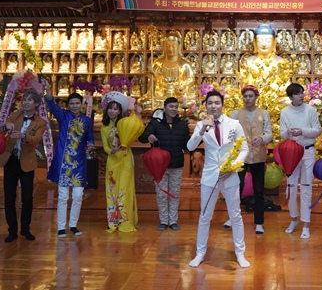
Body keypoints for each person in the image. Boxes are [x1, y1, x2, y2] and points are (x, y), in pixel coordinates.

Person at [187, 90, 250, 268]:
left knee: (235, 215)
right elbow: (190, 146)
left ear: (222, 105)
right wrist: (201, 130)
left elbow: (244, 149)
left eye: (217, 103)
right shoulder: (201, 125)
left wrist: (233, 167)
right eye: (210, 103)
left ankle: (240, 253)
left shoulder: (234, 124)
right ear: (205, 105)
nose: (213, 106)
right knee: (205, 215)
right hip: (210, 175)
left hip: (230, 175)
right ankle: (200, 253)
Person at [42, 79, 95, 239]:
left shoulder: (87, 120)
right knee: (63, 196)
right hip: (64, 163)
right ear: (68, 105)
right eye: (71, 103)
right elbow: (52, 104)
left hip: (79, 163)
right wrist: (48, 90)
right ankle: (61, 227)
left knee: (78, 196)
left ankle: (73, 225)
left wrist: (91, 145)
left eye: (77, 103)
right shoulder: (63, 116)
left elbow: (90, 137)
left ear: (81, 104)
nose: (74, 106)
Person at [0, 90, 47, 243]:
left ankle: (25, 228)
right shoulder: (15, 115)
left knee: (27, 198)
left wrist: (23, 135)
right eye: (24, 99)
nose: (25, 102)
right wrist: (5, 126)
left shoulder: (41, 122)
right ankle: (12, 230)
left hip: (26, 162)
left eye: (29, 100)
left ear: (36, 104)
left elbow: (36, 139)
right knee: (9, 197)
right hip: (10, 160)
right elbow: (0, 130)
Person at [139, 97, 190, 231]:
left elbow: (188, 145)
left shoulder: (182, 125)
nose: (174, 109)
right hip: (159, 166)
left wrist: (200, 137)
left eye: (176, 107)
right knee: (161, 194)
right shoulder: (155, 123)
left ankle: (173, 221)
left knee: (174, 194)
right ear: (164, 108)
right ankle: (163, 220)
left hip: (176, 164)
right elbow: (142, 137)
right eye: (171, 106)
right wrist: (149, 136)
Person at [226, 85, 272, 234]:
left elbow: (269, 133)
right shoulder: (236, 114)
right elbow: (229, 133)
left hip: (258, 156)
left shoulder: (264, 113)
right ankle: (232, 218)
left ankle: (259, 222)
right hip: (241, 156)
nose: (248, 99)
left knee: (258, 190)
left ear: (256, 97)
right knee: (236, 188)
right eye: (245, 96)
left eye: (251, 96)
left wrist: (262, 138)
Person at [280, 83, 322, 240]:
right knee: (290, 189)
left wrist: (302, 131)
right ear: (290, 97)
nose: (301, 96)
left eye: (302, 93)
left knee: (306, 188)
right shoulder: (285, 112)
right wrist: (288, 132)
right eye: (297, 94)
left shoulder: (310, 110)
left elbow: (317, 130)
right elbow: (282, 134)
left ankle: (306, 224)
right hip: (291, 153)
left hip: (308, 152)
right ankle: (293, 219)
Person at [101, 91, 142, 233]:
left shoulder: (125, 123)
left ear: (120, 111)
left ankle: (125, 220)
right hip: (112, 160)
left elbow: (137, 128)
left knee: (125, 188)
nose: (112, 111)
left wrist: (138, 114)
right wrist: (110, 151)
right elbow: (105, 146)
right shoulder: (104, 127)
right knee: (112, 190)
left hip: (125, 159)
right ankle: (113, 221)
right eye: (110, 108)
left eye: (115, 109)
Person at [149, 31, 196, 108]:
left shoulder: (185, 64)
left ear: (179, 46)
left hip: (178, 96)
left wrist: (183, 87)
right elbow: (153, 86)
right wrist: (153, 79)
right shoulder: (157, 63)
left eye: (173, 46)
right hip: (161, 96)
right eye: (167, 46)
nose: (170, 49)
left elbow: (190, 80)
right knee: (144, 101)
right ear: (164, 47)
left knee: (189, 102)